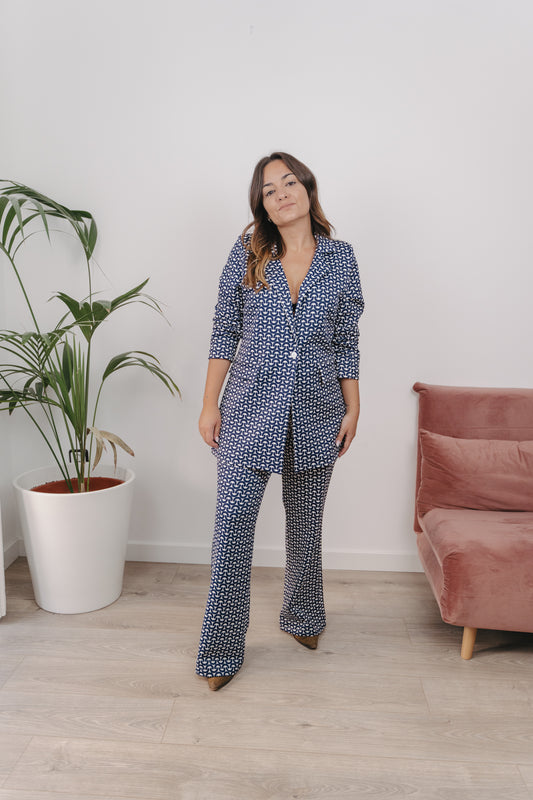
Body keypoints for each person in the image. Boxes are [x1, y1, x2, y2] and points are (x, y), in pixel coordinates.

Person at [197, 152, 364, 691]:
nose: (282, 194)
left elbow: (346, 341)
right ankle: (221, 650)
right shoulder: (247, 252)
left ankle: (303, 615)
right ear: (262, 206)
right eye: (269, 190)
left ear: (308, 189)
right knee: (232, 531)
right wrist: (209, 403)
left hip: (318, 411)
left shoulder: (341, 258)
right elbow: (225, 330)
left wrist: (353, 406)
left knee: (305, 525)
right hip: (248, 411)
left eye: (289, 182)